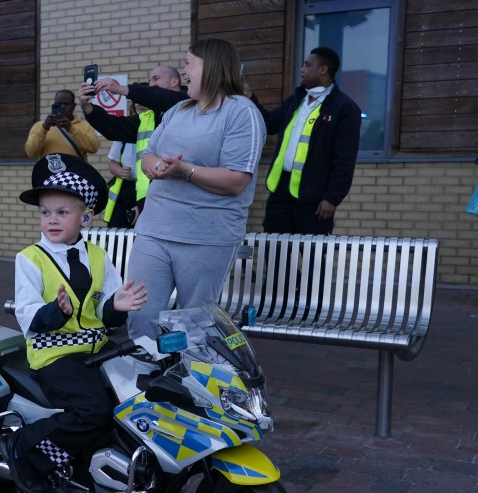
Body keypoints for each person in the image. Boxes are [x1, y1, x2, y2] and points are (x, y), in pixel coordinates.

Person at [4, 153, 148, 493]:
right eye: (45, 212)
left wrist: (117, 306)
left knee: (140, 393)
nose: (51, 219)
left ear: (86, 217)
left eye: (62, 212)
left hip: (98, 350)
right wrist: (58, 312)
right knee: (93, 410)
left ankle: (109, 462)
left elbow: (105, 311)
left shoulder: (98, 256)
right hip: (54, 356)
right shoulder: (29, 259)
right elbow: (27, 313)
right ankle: (29, 450)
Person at [125, 38, 266, 340]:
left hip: (205, 236)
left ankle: (190, 384)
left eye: (189, 64)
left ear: (210, 66)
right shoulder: (179, 110)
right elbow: (149, 150)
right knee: (141, 313)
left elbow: (236, 180)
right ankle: (148, 380)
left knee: (194, 325)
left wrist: (184, 170)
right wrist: (151, 164)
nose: (185, 72)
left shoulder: (242, 112)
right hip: (154, 230)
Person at [250, 46, 361, 235]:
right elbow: (268, 125)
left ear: (323, 69)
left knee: (313, 259)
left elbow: (344, 160)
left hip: (314, 200)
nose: (302, 69)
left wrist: (332, 198)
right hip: (280, 193)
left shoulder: (344, 108)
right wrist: (250, 98)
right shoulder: (295, 101)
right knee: (275, 253)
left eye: (307, 65)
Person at [80, 65, 188, 224]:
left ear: (174, 81)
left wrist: (122, 89)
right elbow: (114, 128)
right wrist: (87, 106)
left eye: (156, 78)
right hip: (149, 199)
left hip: (179, 196)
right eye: (150, 80)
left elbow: (164, 97)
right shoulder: (149, 116)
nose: (151, 84)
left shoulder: (187, 103)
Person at [24, 90, 99, 160]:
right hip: (49, 173)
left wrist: (71, 129)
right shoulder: (39, 126)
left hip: (74, 173)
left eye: (66, 104)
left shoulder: (84, 126)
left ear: (74, 106)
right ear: (54, 105)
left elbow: (93, 148)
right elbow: (31, 153)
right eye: (58, 104)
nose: (62, 107)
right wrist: (44, 129)